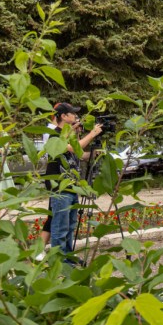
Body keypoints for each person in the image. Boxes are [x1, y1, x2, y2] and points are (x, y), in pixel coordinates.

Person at [43, 103, 103, 258]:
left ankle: (67, 258)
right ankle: (59, 261)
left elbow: (80, 154)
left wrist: (94, 154)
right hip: (59, 186)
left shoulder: (69, 134)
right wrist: (92, 134)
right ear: (63, 116)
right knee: (60, 227)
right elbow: (74, 148)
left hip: (72, 185)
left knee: (70, 226)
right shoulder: (55, 135)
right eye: (73, 114)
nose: (76, 116)